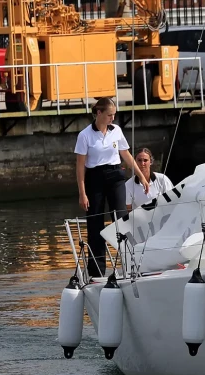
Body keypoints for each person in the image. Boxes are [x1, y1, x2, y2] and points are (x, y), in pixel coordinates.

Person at [74, 97, 149, 278]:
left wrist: (141, 176)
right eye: (109, 115)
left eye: (114, 115)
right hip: (95, 178)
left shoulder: (116, 131)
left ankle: (130, 265)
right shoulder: (85, 135)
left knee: (122, 219)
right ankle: (96, 272)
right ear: (98, 113)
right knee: (96, 225)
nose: (112, 119)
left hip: (115, 176)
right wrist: (82, 193)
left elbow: (127, 155)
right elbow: (80, 166)